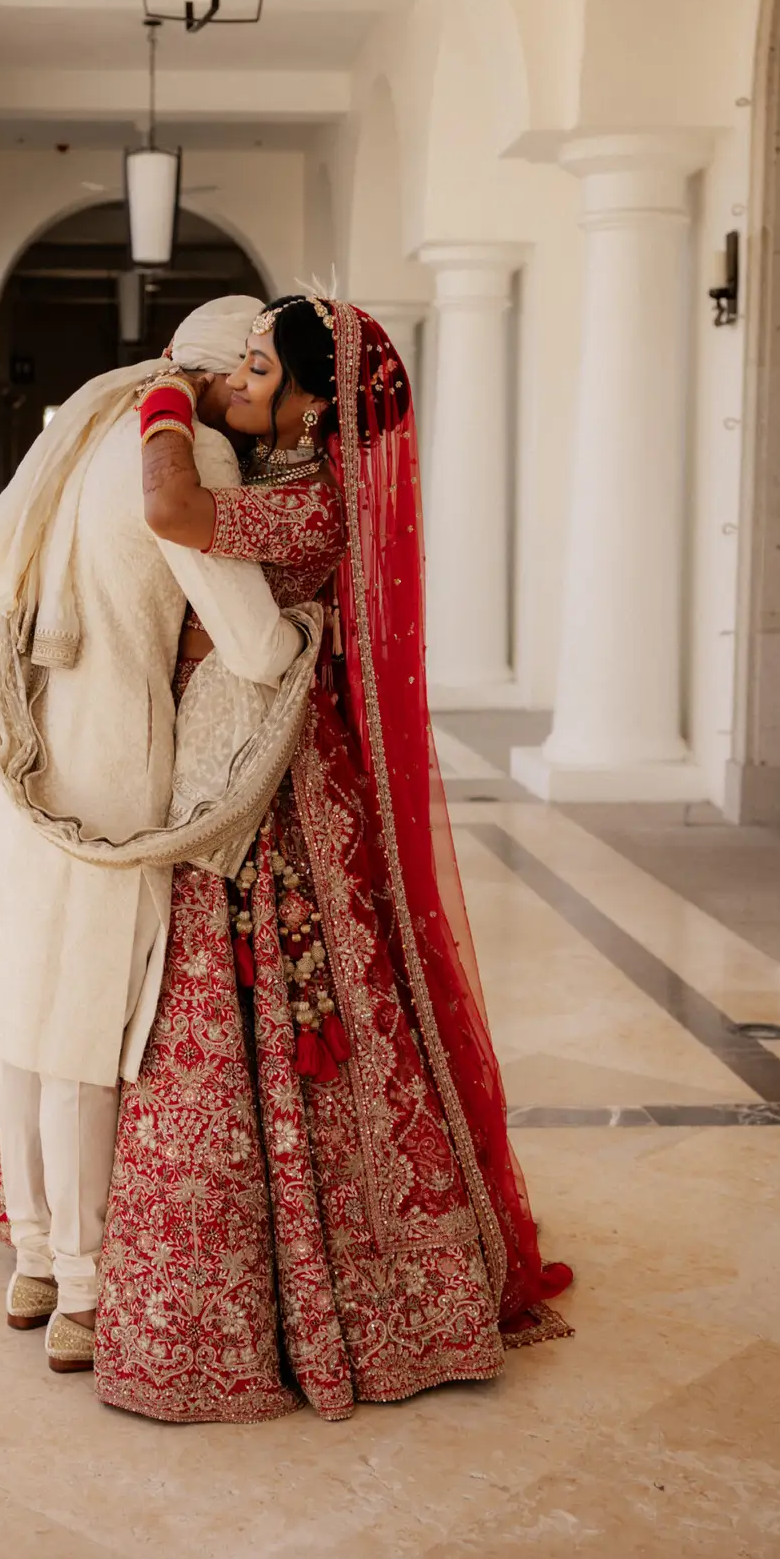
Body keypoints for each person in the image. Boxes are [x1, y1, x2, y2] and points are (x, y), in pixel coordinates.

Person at [87, 294, 574, 1423]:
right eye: (241, 362)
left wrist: (165, 385)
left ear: (313, 402)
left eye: (260, 366)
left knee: (271, 1007)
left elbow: (171, 510)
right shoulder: (291, 483)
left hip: (285, 792)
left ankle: (309, 1294)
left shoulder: (309, 500)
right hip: (262, 761)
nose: (242, 380)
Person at [0, 297, 320, 1375]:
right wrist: (309, 627)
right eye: (248, 366)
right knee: (81, 1022)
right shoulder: (188, 447)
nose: (258, 386)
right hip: (116, 752)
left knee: (22, 1006)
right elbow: (253, 645)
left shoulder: (91, 421)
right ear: (214, 376)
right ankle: (84, 1284)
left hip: (34, 735)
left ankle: (30, 1255)